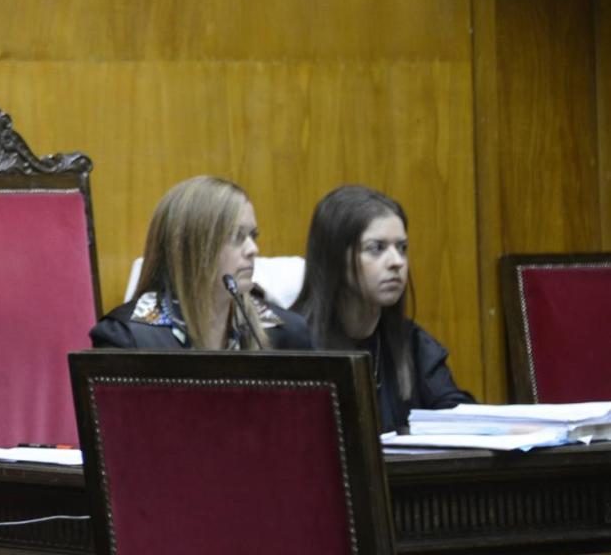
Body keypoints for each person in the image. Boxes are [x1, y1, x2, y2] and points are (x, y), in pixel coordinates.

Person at [292, 185, 474, 432]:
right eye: (376, 248)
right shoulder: (293, 345)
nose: (397, 262)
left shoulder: (412, 342)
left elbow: (457, 414)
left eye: (402, 248)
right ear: (334, 257)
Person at [91, 176, 312, 350]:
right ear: (192, 249)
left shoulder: (287, 334)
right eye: (237, 236)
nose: (253, 250)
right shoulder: (126, 339)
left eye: (253, 235)